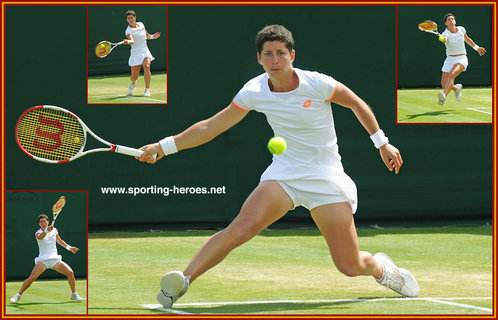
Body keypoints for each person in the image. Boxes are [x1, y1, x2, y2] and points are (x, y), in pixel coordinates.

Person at [137, 24, 419, 308]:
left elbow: (356, 103)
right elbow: (212, 126)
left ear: (292, 55)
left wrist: (382, 143)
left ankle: (381, 269)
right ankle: (183, 281)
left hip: (326, 177)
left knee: (349, 265)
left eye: (281, 53)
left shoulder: (317, 83)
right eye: (268, 54)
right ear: (259, 58)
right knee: (241, 227)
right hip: (285, 174)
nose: (275, 60)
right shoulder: (254, 91)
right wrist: (163, 146)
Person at [10, 214, 85, 303]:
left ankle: (74, 294)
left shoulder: (54, 230)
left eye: (44, 221)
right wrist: (46, 231)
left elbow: (60, 241)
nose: (43, 223)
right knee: (32, 277)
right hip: (43, 260)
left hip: (54, 259)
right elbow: (40, 237)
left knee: (70, 272)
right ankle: (18, 295)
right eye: (41, 222)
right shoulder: (38, 233)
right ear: (39, 224)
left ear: (48, 222)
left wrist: (69, 248)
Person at [437, 13, 486, 105]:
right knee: (444, 84)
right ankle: (457, 89)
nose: (451, 20)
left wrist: (477, 48)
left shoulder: (461, 29)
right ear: (445, 23)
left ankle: (443, 96)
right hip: (450, 59)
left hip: (461, 58)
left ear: (455, 21)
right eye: (449, 19)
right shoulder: (445, 34)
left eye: (452, 19)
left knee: (452, 74)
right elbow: (444, 39)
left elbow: (467, 39)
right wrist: (443, 39)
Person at [123, 10, 161, 97]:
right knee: (134, 77)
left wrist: (152, 37)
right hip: (136, 53)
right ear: (127, 20)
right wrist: (128, 41)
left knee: (146, 66)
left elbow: (147, 36)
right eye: (128, 18)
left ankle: (147, 89)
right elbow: (132, 41)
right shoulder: (128, 31)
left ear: (135, 17)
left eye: (132, 17)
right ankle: (133, 83)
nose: (130, 20)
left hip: (145, 51)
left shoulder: (141, 24)